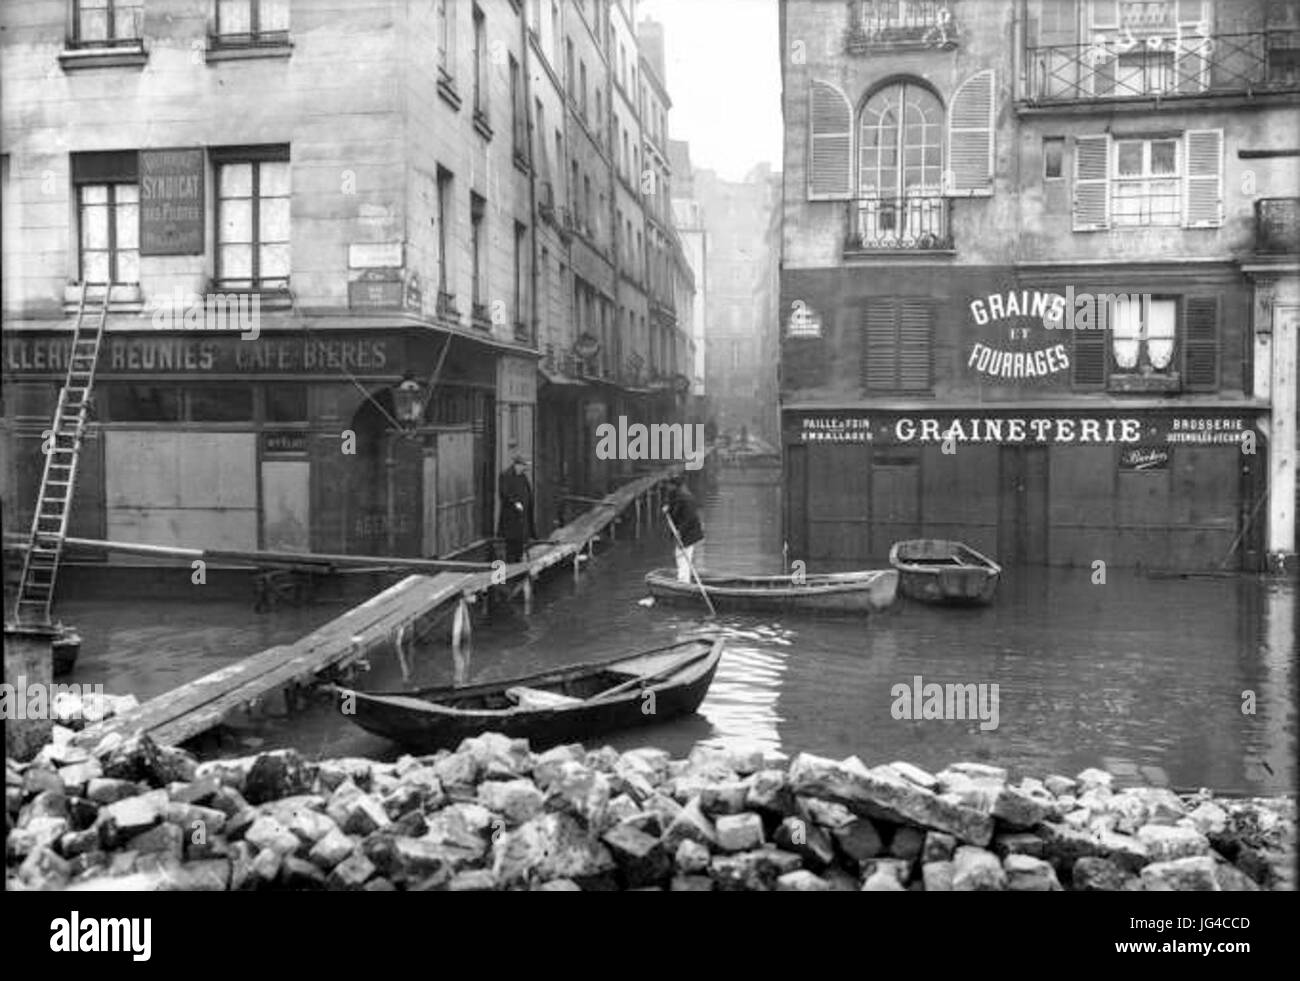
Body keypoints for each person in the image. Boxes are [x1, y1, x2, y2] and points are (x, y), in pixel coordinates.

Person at [662, 473, 704, 583]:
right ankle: (684, 579)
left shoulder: (686, 498)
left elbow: (690, 518)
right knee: (681, 556)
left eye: (669, 485)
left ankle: (683, 582)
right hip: (682, 532)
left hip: (688, 533)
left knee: (683, 557)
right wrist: (668, 508)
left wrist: (680, 532)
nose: (667, 487)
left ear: (674, 485)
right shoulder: (674, 494)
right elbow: (672, 505)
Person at [498, 453, 536, 563]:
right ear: (518, 465)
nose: (526, 468)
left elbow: (527, 492)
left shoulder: (522, 476)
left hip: (522, 516)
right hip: (511, 516)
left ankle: (518, 562)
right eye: (524, 465)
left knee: (520, 542)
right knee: (511, 543)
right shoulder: (506, 475)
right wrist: (515, 503)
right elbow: (504, 493)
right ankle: (511, 565)